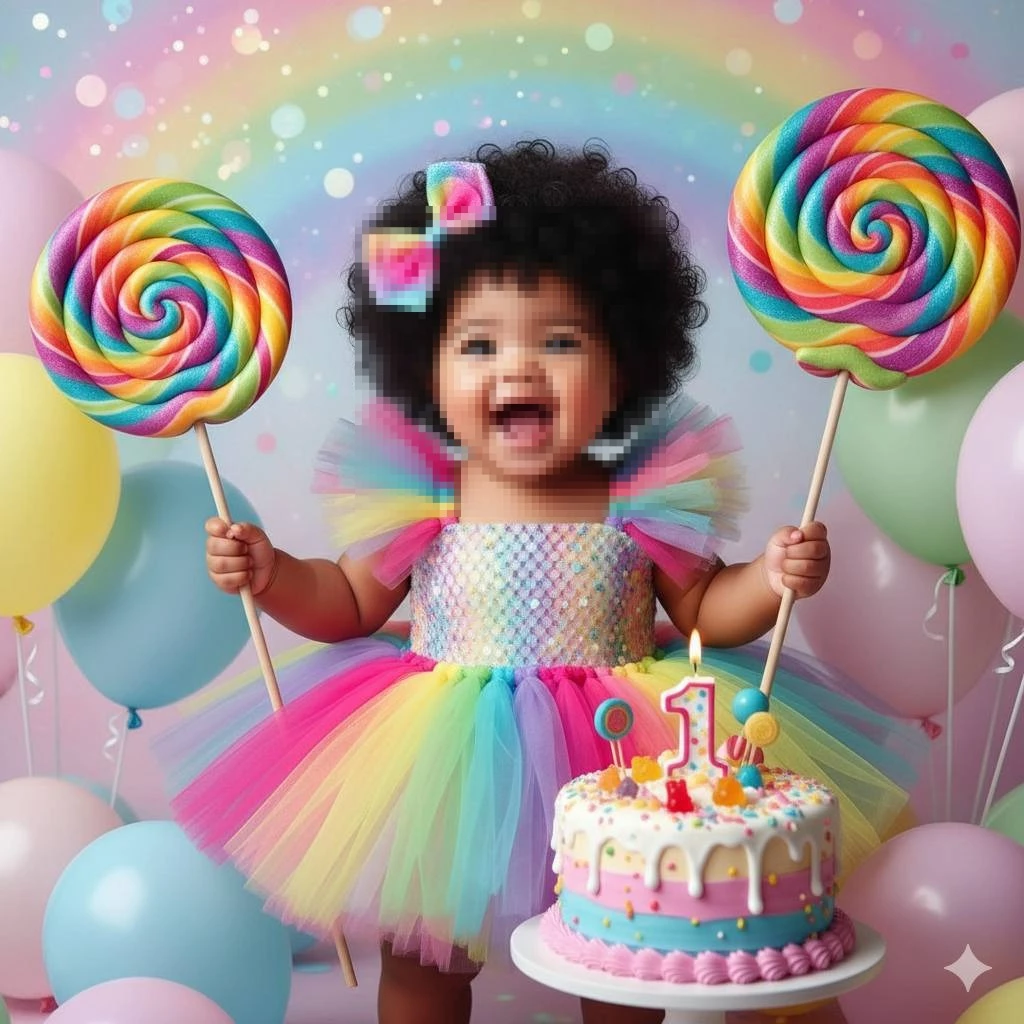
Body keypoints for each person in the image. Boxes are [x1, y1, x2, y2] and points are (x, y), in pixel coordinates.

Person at [155, 141, 920, 1024]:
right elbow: (350, 603)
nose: (518, 369)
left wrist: (772, 577)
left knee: (624, 953)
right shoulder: (424, 497)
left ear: (623, 366)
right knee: (425, 960)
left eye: (560, 341)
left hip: (620, 752)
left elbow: (706, 610)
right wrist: (275, 573)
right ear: (425, 370)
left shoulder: (641, 496)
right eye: (478, 345)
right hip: (441, 756)